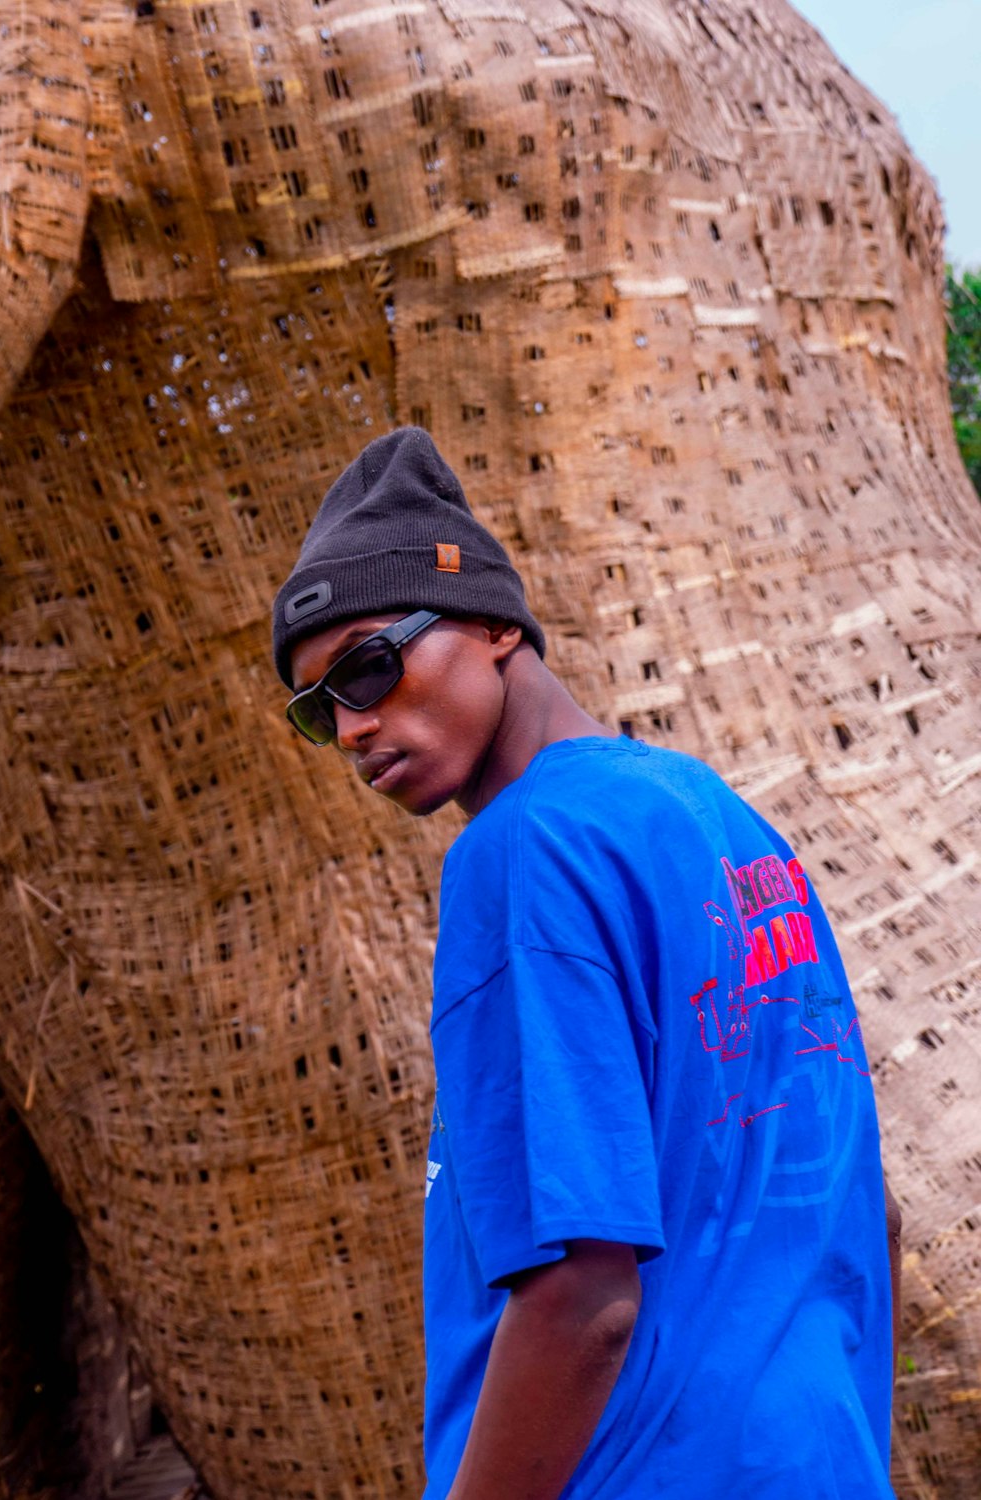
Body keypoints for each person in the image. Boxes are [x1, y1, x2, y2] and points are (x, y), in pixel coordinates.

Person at [272, 427, 901, 1499]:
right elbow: (860, 1210)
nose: (351, 728)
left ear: (491, 626)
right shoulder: (728, 831)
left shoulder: (523, 855)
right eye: (316, 707)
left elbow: (580, 1299)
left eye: (370, 664)